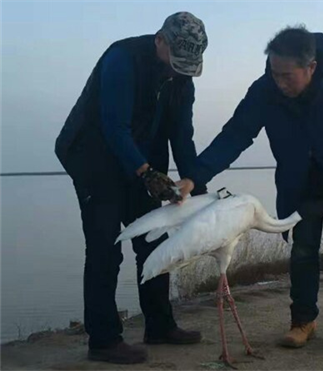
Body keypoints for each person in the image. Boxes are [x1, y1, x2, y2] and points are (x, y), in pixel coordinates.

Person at [177, 26, 323, 352]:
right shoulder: (265, 90)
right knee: (303, 253)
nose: (280, 82)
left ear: (311, 67)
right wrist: (194, 176)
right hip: (300, 186)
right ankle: (302, 322)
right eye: (274, 73)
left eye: (287, 76)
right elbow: (235, 135)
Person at [55, 12, 208, 364]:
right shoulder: (122, 59)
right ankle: (104, 340)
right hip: (93, 154)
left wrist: (198, 186)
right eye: (175, 62)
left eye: (187, 67)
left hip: (141, 157)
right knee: (105, 245)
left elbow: (182, 137)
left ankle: (159, 325)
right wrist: (146, 173)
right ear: (159, 41)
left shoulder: (182, 79)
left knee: (154, 238)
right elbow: (114, 125)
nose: (178, 72)